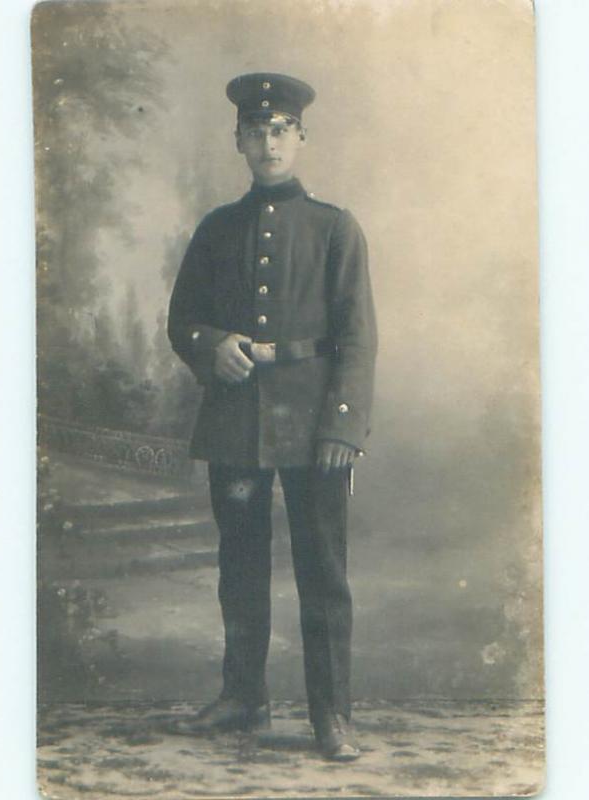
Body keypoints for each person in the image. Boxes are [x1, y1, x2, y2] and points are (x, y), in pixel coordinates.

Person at [167, 72, 377, 761]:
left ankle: (331, 716)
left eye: (280, 130)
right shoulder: (217, 229)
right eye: (255, 132)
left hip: (316, 426)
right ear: (239, 142)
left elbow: (357, 338)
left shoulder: (334, 228)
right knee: (240, 567)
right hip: (236, 421)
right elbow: (182, 320)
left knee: (323, 573)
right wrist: (212, 346)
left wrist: (342, 427)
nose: (268, 143)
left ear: (300, 137)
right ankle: (242, 697)